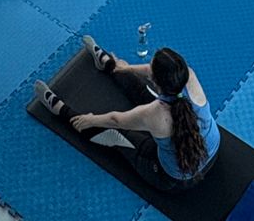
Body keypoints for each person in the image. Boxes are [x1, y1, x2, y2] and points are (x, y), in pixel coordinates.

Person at [32, 41, 219, 191]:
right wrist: (125, 68)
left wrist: (89, 120)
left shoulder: (154, 114)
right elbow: (151, 71)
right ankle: (108, 65)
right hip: (213, 150)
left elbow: (116, 119)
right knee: (143, 95)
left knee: (116, 133)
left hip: (176, 178)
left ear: (156, 80)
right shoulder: (187, 76)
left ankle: (62, 111)